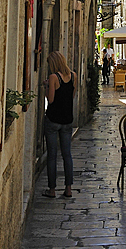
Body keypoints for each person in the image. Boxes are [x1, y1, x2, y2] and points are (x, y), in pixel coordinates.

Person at [42, 50, 77, 198]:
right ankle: (68, 189)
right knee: (67, 154)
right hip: (67, 120)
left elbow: (50, 100)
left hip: (53, 120)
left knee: (52, 155)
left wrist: (46, 87)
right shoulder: (73, 76)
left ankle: (52, 190)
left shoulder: (53, 77)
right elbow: (72, 96)